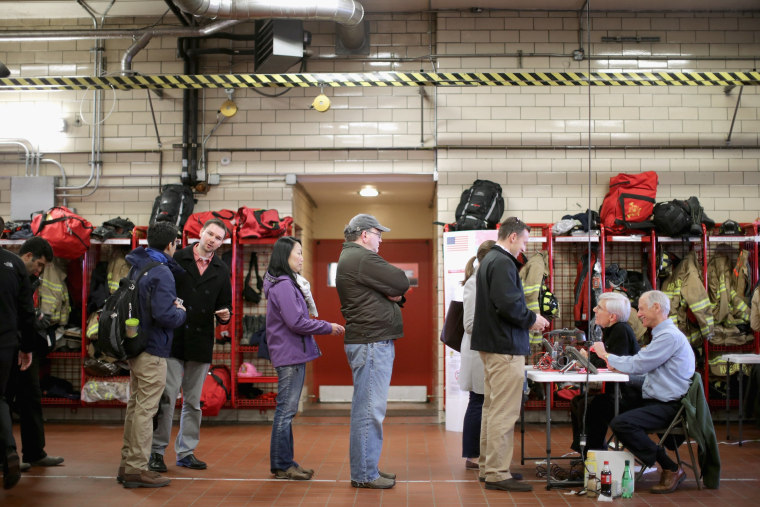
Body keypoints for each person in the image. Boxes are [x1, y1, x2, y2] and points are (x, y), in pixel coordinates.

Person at [471, 217, 549, 493]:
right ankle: (496, 472)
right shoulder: (503, 262)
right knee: (504, 412)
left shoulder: (489, 260)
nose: (524, 247)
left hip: (492, 345)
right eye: (525, 241)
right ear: (513, 237)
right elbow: (508, 305)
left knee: (492, 410)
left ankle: (487, 467)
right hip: (504, 347)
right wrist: (533, 320)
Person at [592, 290, 696, 494]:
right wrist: (618, 368)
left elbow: (639, 364)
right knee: (601, 405)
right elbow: (644, 368)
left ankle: (670, 467)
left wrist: (606, 356)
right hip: (655, 399)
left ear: (657, 308)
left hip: (668, 406)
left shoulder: (668, 337)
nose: (637, 314)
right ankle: (594, 461)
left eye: (641, 308)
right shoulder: (660, 336)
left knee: (622, 423)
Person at [149, 218, 232, 473]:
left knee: (193, 402)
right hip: (173, 339)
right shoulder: (177, 259)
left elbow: (225, 304)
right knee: (166, 399)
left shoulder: (221, 268)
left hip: (201, 340)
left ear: (221, 243)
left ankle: (186, 452)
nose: (212, 240)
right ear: (200, 232)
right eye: (210, 234)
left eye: (218, 238)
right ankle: (156, 452)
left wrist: (225, 315)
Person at [336, 214, 410, 489]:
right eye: (379, 234)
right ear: (364, 234)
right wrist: (392, 292)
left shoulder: (354, 258)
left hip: (370, 341)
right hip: (371, 342)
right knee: (369, 410)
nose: (381, 240)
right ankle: (365, 474)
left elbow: (396, 291)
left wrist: (393, 294)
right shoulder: (362, 258)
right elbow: (401, 281)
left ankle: (368, 467)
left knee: (368, 409)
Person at [263, 236, 345, 480]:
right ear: (284, 256)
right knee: (285, 412)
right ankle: (281, 465)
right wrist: (326, 327)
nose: (301, 258)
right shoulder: (284, 285)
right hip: (289, 354)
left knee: (287, 411)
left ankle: (287, 462)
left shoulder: (287, 283)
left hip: (291, 352)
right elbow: (296, 322)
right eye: (298, 253)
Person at [118, 222, 187, 488]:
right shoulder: (162, 273)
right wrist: (181, 311)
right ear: (170, 244)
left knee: (135, 408)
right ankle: (137, 468)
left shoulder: (138, 266)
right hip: (154, 349)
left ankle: (127, 464)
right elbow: (165, 315)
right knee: (147, 410)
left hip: (136, 347)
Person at [5, 237, 64, 471]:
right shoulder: (11, 273)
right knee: (5, 402)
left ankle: (34, 452)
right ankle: (6, 457)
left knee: (31, 398)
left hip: (24, 348)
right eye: (38, 264)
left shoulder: (29, 279)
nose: (39, 270)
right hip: (8, 347)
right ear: (27, 256)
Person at [570, 291, 640, 454]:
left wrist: (589, 359)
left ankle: (592, 455)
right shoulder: (612, 330)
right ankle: (586, 453)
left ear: (612, 317)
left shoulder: (620, 330)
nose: (594, 310)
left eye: (599, 308)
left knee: (591, 406)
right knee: (578, 402)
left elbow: (611, 364)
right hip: (618, 393)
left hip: (628, 396)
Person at [0, 243, 36, 490]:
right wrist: (27, 346)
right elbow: (27, 310)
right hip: (6, 344)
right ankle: (9, 451)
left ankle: (7, 452)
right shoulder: (14, 265)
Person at [459, 240, 495, 470]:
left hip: (486, 351)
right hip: (476, 351)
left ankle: (480, 452)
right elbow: (470, 323)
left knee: (482, 401)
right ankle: (472, 455)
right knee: (477, 401)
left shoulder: (486, 282)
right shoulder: (474, 284)